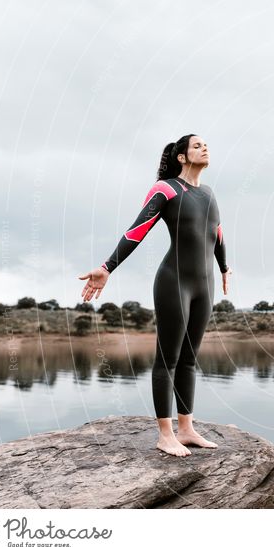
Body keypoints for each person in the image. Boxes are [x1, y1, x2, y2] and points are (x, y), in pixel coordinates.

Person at [78, 134, 232, 457]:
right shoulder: (166, 189)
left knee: (190, 359)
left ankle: (186, 428)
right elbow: (138, 228)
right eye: (197, 145)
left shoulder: (209, 194)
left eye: (206, 144)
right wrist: (107, 267)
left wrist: (224, 268)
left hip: (205, 286)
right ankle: (165, 434)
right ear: (181, 157)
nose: (205, 147)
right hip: (174, 282)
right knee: (168, 359)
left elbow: (217, 232)